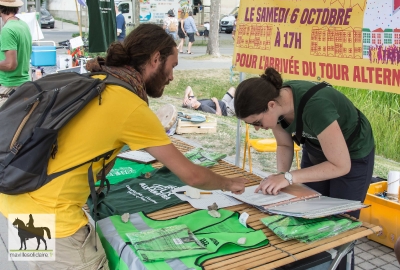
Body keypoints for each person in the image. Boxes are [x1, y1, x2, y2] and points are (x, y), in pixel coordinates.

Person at [0, 24, 247, 270]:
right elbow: (191, 175)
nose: (172, 77)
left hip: (17, 206)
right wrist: (229, 183)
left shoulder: (98, 80)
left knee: (40, 265)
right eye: (172, 66)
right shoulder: (130, 106)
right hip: (54, 221)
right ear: (155, 59)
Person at [234, 67, 375, 217]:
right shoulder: (277, 105)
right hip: (315, 146)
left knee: (340, 217)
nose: (257, 128)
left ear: (271, 105)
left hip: (353, 150)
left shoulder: (316, 107)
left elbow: (341, 165)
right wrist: (281, 175)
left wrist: (289, 177)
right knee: (310, 208)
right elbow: (284, 145)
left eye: (257, 122)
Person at [0, 0, 32, 108]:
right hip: (24, 85)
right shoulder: (22, 24)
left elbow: (10, 64)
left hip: (10, 88)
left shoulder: (8, 30)